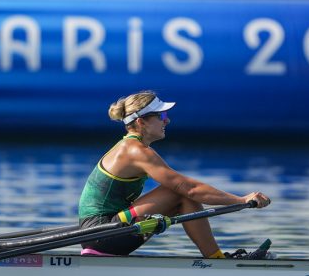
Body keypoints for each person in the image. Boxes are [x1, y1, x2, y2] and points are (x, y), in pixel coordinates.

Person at [77, 90, 271, 258]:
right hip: (101, 234)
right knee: (179, 192)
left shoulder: (131, 147)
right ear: (141, 122)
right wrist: (241, 200)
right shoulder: (135, 151)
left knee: (182, 196)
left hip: (103, 232)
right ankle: (217, 261)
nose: (167, 120)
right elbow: (191, 189)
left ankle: (216, 258)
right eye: (161, 116)